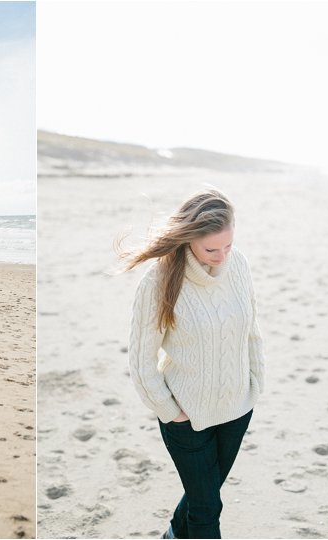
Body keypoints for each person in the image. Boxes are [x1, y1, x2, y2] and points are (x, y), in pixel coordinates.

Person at [125, 188, 265, 539]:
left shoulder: (239, 265)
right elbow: (142, 359)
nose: (222, 256)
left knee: (203, 495)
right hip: (188, 418)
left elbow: (251, 331)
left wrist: (255, 383)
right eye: (211, 249)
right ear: (188, 241)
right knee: (207, 509)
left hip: (237, 408)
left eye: (228, 246)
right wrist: (170, 411)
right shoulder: (159, 282)